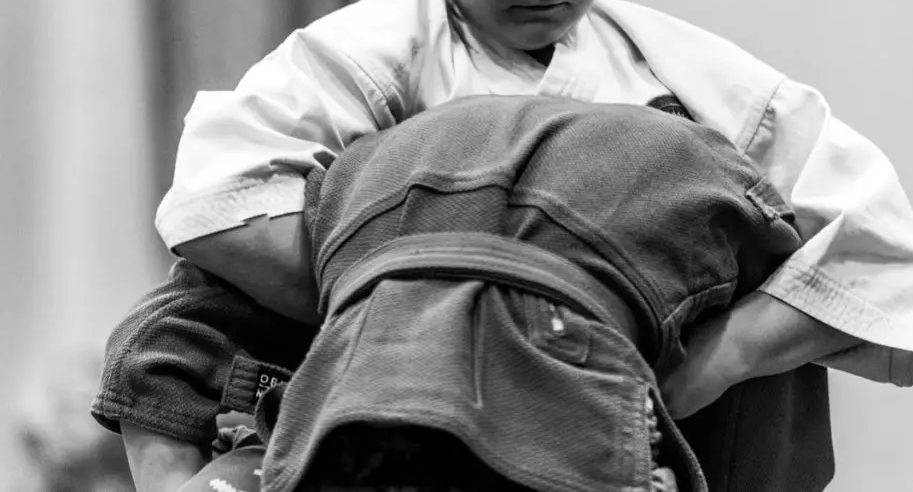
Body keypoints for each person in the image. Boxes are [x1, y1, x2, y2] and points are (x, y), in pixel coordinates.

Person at [97, 0, 913, 487]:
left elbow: (881, 250)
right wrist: (415, 307)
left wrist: (715, 362)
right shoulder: (364, 58)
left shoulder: (687, 78)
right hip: (380, 404)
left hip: (638, 400)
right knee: (169, 331)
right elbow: (214, 204)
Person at [98, 93, 817, 492]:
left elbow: (157, 342)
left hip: (366, 351)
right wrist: (719, 368)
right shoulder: (684, 155)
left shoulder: (366, 166)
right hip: (568, 343)